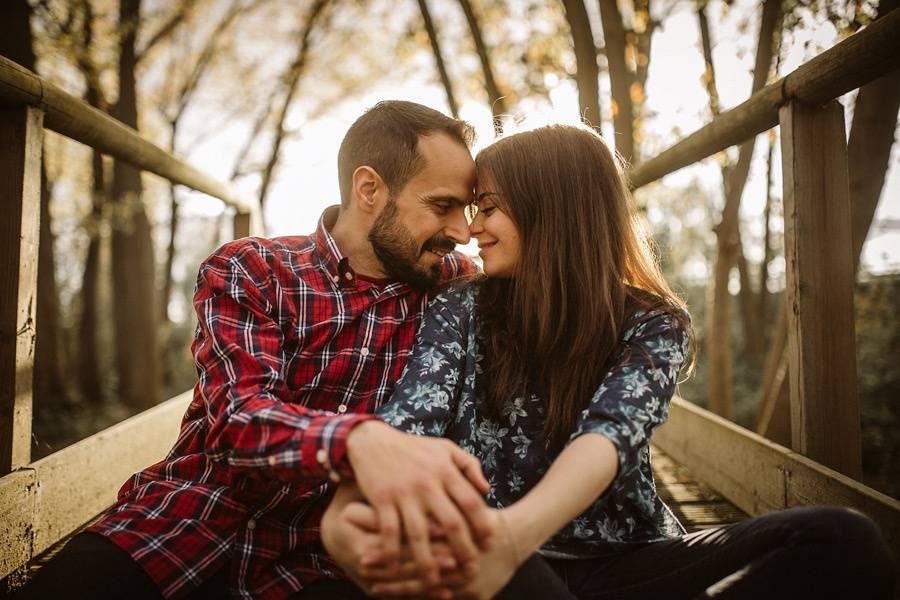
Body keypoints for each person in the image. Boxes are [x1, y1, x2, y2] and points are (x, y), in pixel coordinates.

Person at [320, 124, 896, 599]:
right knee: (471, 561)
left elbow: (608, 438)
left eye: (487, 208)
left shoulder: (653, 320)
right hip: (506, 574)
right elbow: (407, 425)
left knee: (842, 537)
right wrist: (345, 516)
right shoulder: (460, 307)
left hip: (629, 561)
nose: (471, 229)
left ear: (552, 211)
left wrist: (510, 535)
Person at [14, 101, 500, 600]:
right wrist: (357, 441)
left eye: (465, 212)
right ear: (370, 189)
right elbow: (238, 418)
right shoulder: (254, 269)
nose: (461, 232)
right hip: (186, 519)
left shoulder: (454, 289)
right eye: (441, 207)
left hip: (319, 560)